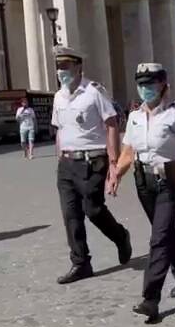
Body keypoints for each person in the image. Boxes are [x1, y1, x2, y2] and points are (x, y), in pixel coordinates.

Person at [115, 63, 175, 322]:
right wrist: (116, 173)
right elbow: (128, 151)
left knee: (158, 238)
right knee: (166, 231)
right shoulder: (134, 117)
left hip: (168, 181)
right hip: (144, 182)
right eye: (141, 84)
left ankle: (150, 299)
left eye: (150, 83)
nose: (145, 89)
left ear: (162, 84)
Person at [52, 46, 132, 284]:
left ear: (78, 67)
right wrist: (60, 155)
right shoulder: (58, 96)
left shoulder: (94, 92)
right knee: (70, 215)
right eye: (59, 67)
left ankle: (120, 236)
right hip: (67, 163)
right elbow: (59, 129)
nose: (62, 71)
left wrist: (114, 162)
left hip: (92, 161)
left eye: (66, 66)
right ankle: (80, 263)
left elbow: (111, 124)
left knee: (93, 210)